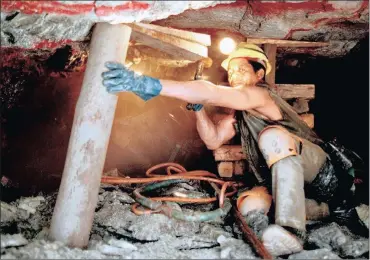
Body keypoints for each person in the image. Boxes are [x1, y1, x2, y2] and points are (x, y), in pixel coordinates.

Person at [101, 43, 365, 256]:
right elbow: (213, 140)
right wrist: (199, 112)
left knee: (273, 136)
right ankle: (334, 211)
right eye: (231, 71)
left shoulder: (261, 95)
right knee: (250, 204)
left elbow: (212, 91)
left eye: (241, 69)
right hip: (303, 192)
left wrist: (151, 84)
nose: (234, 75)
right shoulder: (238, 116)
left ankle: (291, 231)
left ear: (259, 74)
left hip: (324, 173)